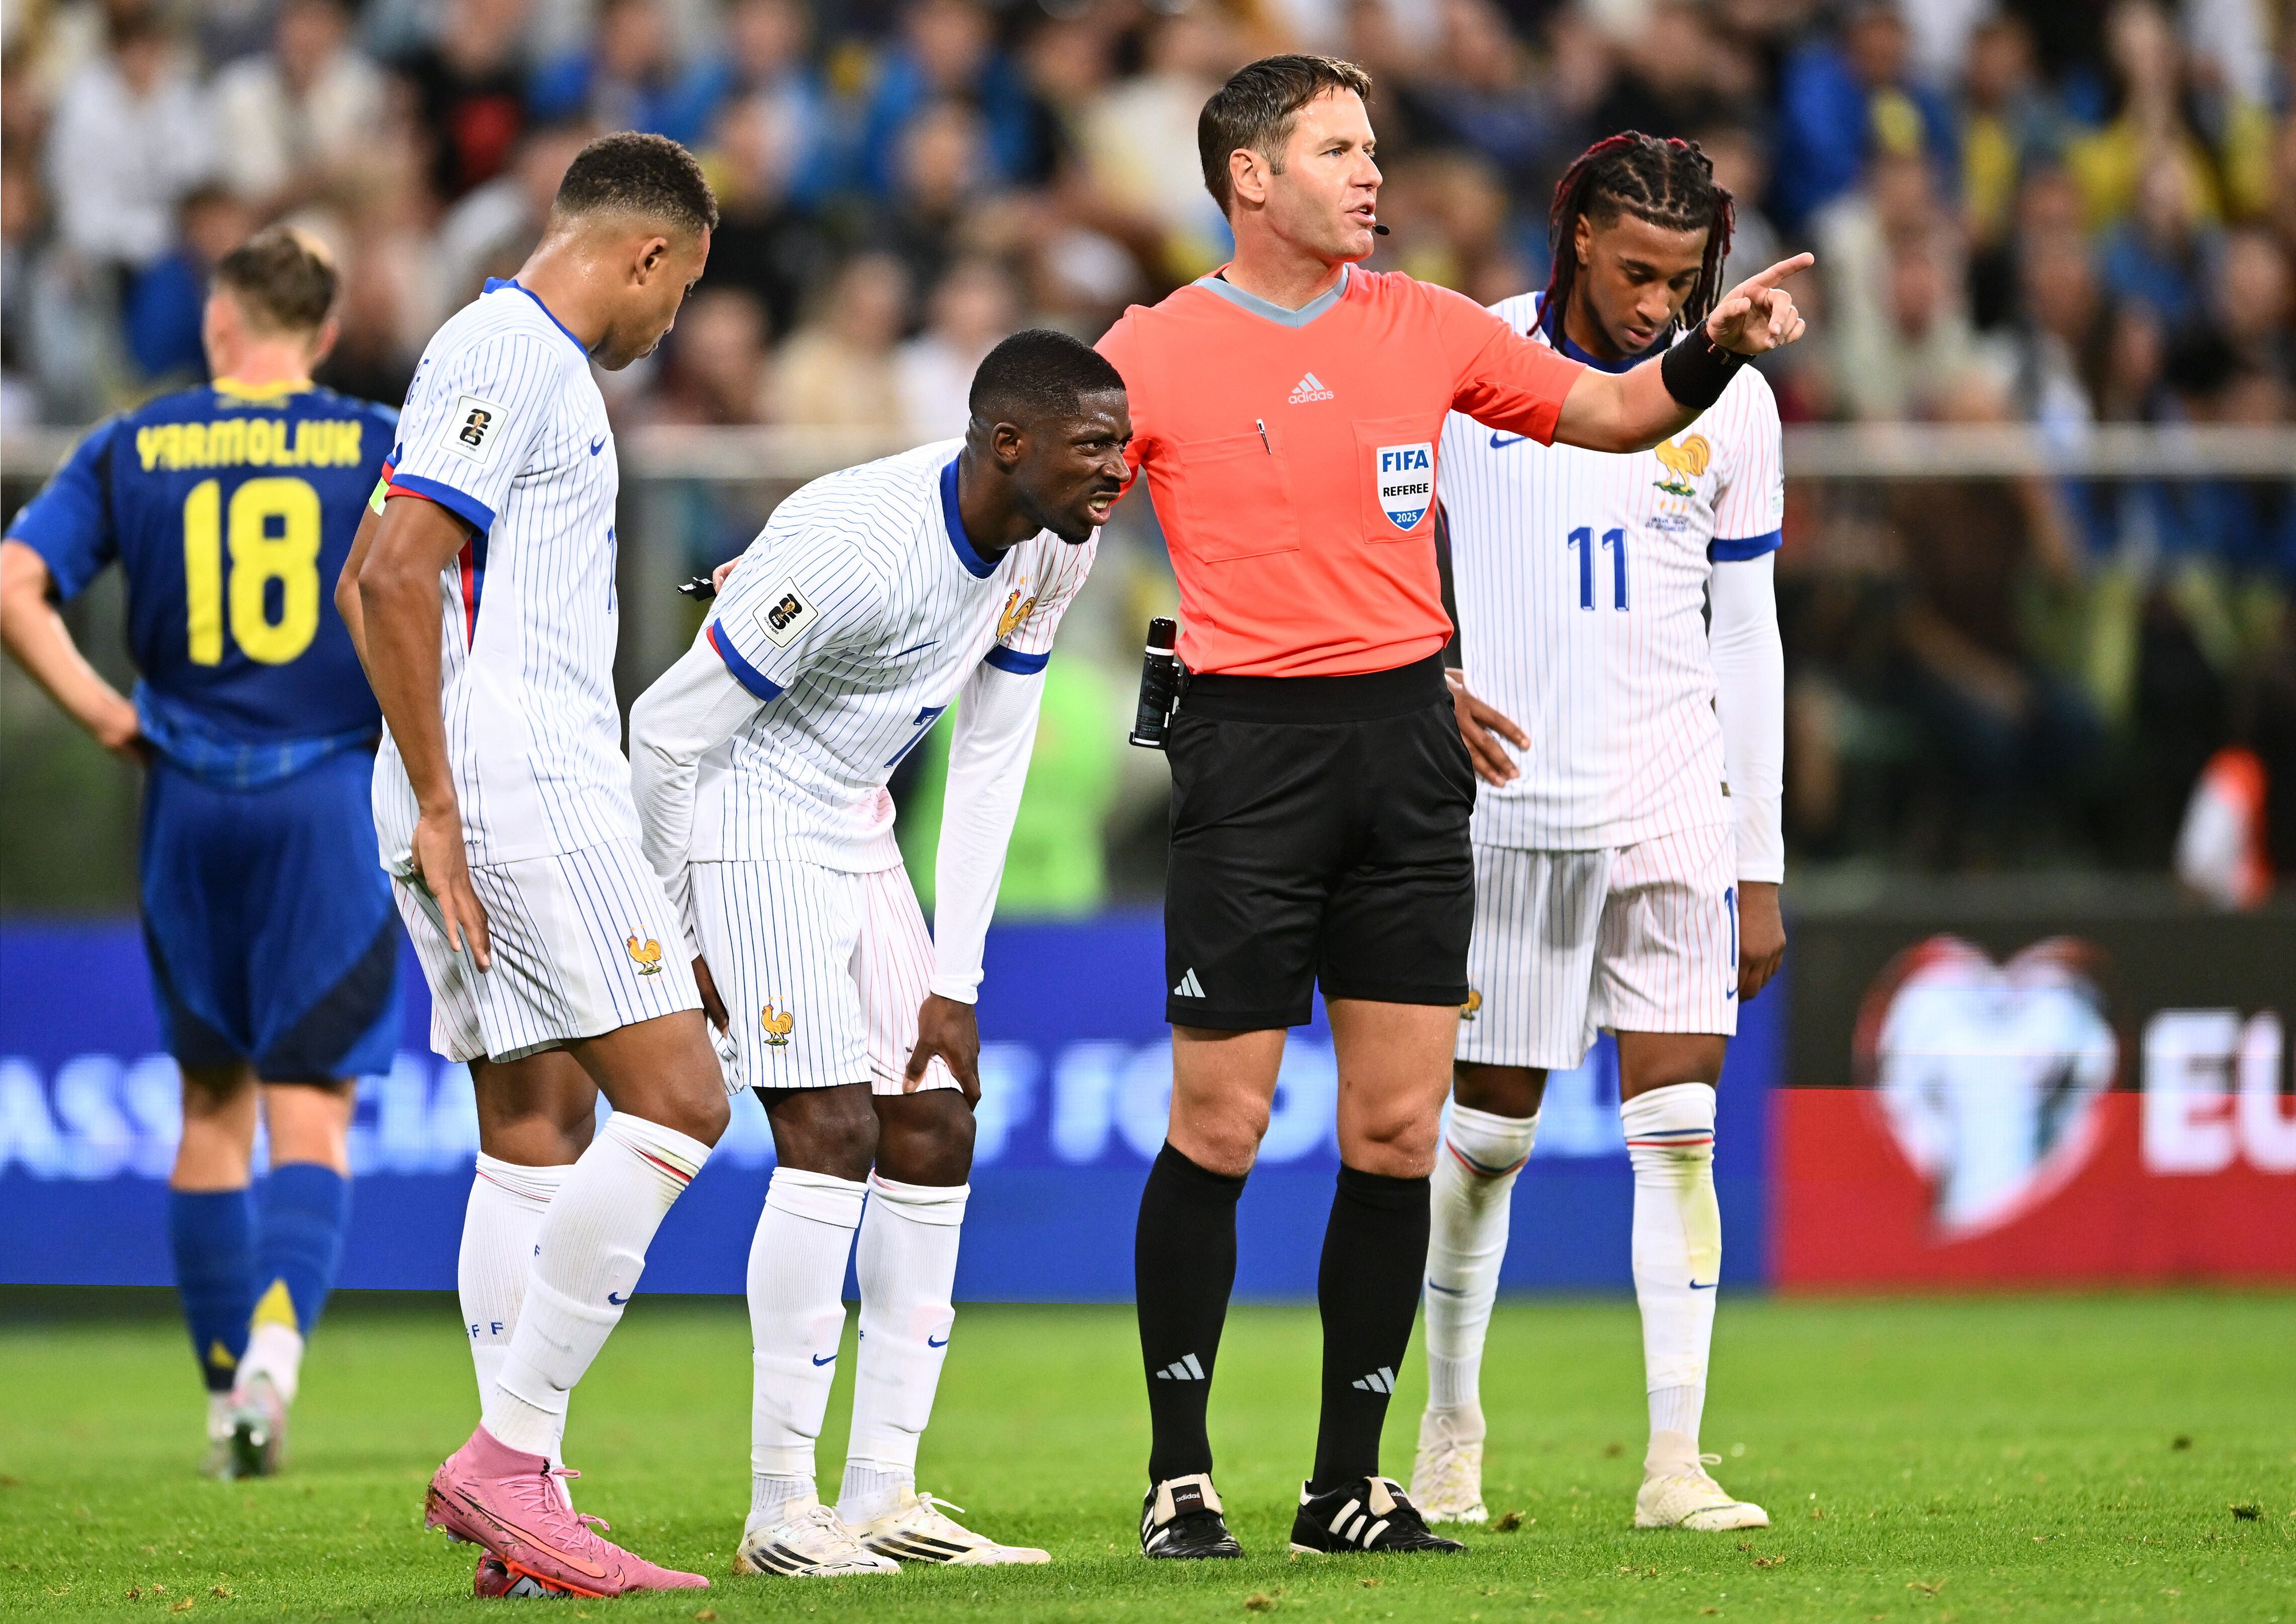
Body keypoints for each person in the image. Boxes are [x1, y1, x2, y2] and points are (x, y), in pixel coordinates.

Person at [1091, 55, 1809, 1560]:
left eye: (1373, 146)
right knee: (1220, 1122)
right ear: (1250, 177)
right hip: (1251, 757)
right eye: (1339, 149)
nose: (1373, 172)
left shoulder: (1422, 325)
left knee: (1397, 1124)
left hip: (1410, 759)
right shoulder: (1153, 347)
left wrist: (1713, 349)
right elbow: (1042, 498)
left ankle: (1347, 1483)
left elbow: (1610, 411)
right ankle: (1179, 1473)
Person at [629, 328, 1126, 1578]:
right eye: (1092, 445)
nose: (1117, 468)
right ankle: (778, 1510)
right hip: (750, 808)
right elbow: (668, 728)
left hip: (856, 814)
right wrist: (675, 936)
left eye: (1120, 443)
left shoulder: (1058, 542)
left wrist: (956, 977)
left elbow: (993, 748)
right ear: (1007, 443)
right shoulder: (857, 545)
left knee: (935, 1118)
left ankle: (881, 1493)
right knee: (831, 1130)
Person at [338, 131, 725, 1600]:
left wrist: (428, 783)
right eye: (680, 289)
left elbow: (371, 572)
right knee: (681, 1098)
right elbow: (390, 574)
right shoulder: (513, 351)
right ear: (646, 253)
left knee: (533, 1120)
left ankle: (525, 1498)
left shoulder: (501, 354)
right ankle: (509, 1456)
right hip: (517, 785)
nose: (671, 320)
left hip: (480, 776)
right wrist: (444, 798)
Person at [1410, 133, 1786, 1536]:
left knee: (1678, 1132)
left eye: (1680, 281)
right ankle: (1449, 1427)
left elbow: (1746, 634)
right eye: (1635, 272)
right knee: (1487, 1134)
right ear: (1575, 237)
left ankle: (1673, 1458)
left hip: (1675, 796)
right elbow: (1380, 543)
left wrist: (1760, 858)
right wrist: (1428, 673)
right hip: (1514, 803)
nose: (1656, 305)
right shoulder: (1469, 362)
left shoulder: (1733, 396)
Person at [0, 227, 399, 1479]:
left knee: (211, 1107)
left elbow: (15, 583)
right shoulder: (374, 441)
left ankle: (227, 1394)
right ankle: (275, 1356)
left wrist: (105, 713)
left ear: (220, 323)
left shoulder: (137, 442)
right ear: (322, 334)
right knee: (311, 1106)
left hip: (183, 794)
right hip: (323, 793)